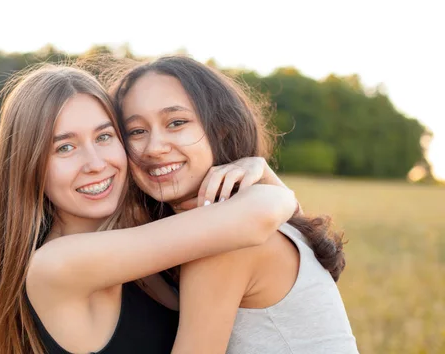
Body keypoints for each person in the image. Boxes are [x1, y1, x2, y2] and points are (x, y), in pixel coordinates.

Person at [0, 64, 298, 354]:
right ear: (28, 166)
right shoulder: (56, 264)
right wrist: (269, 181)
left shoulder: (137, 233)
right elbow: (254, 221)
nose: (96, 163)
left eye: (104, 136)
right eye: (65, 147)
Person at [111, 56, 359, 354]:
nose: (154, 147)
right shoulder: (248, 217)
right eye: (136, 131)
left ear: (221, 130)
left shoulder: (228, 239)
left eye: (177, 123)